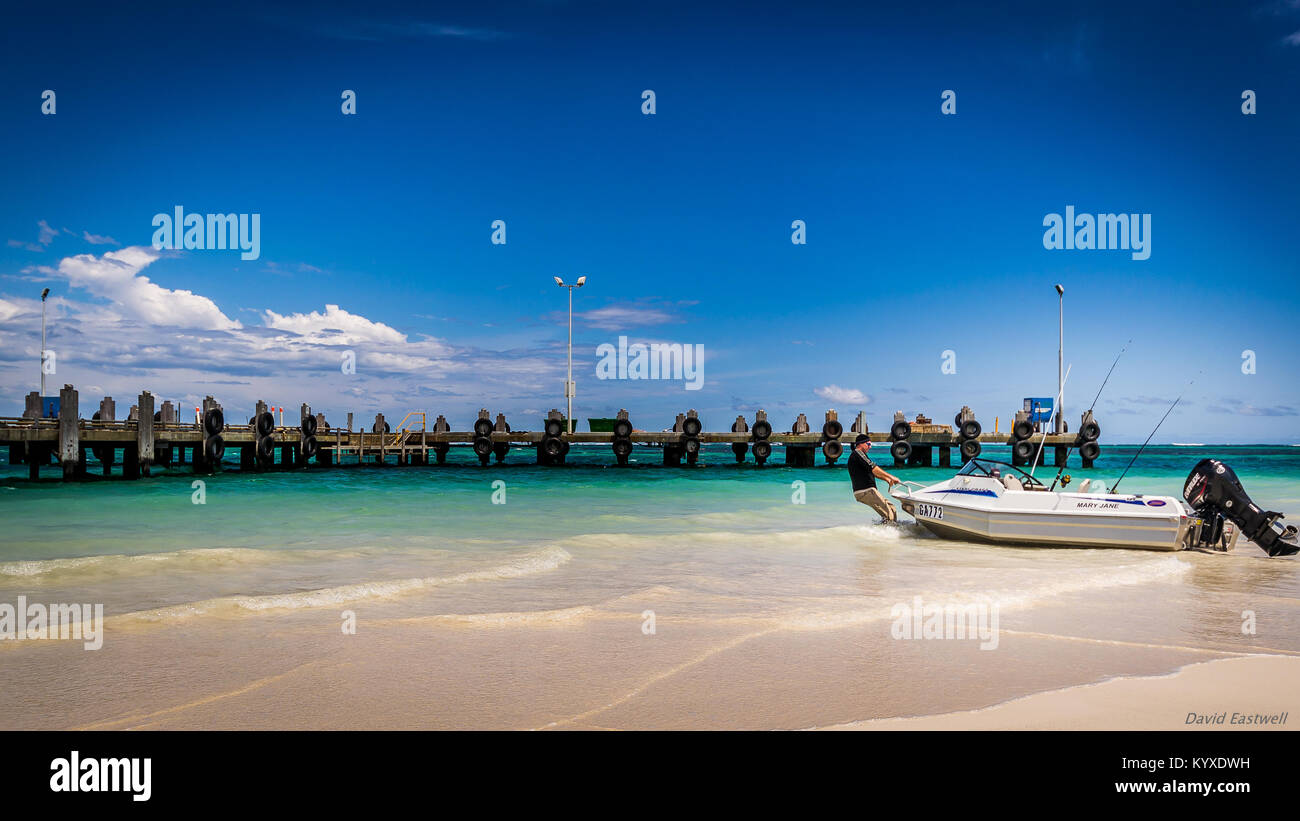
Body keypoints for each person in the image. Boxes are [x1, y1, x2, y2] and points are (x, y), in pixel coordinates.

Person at [847, 434, 901, 523]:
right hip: (865, 491)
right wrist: (891, 477)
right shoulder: (858, 453)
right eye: (868, 444)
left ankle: (886, 531)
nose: (870, 447)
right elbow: (873, 468)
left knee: (892, 509)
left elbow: (872, 471)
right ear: (861, 444)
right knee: (889, 516)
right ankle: (886, 533)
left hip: (868, 491)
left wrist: (887, 480)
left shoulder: (860, 455)